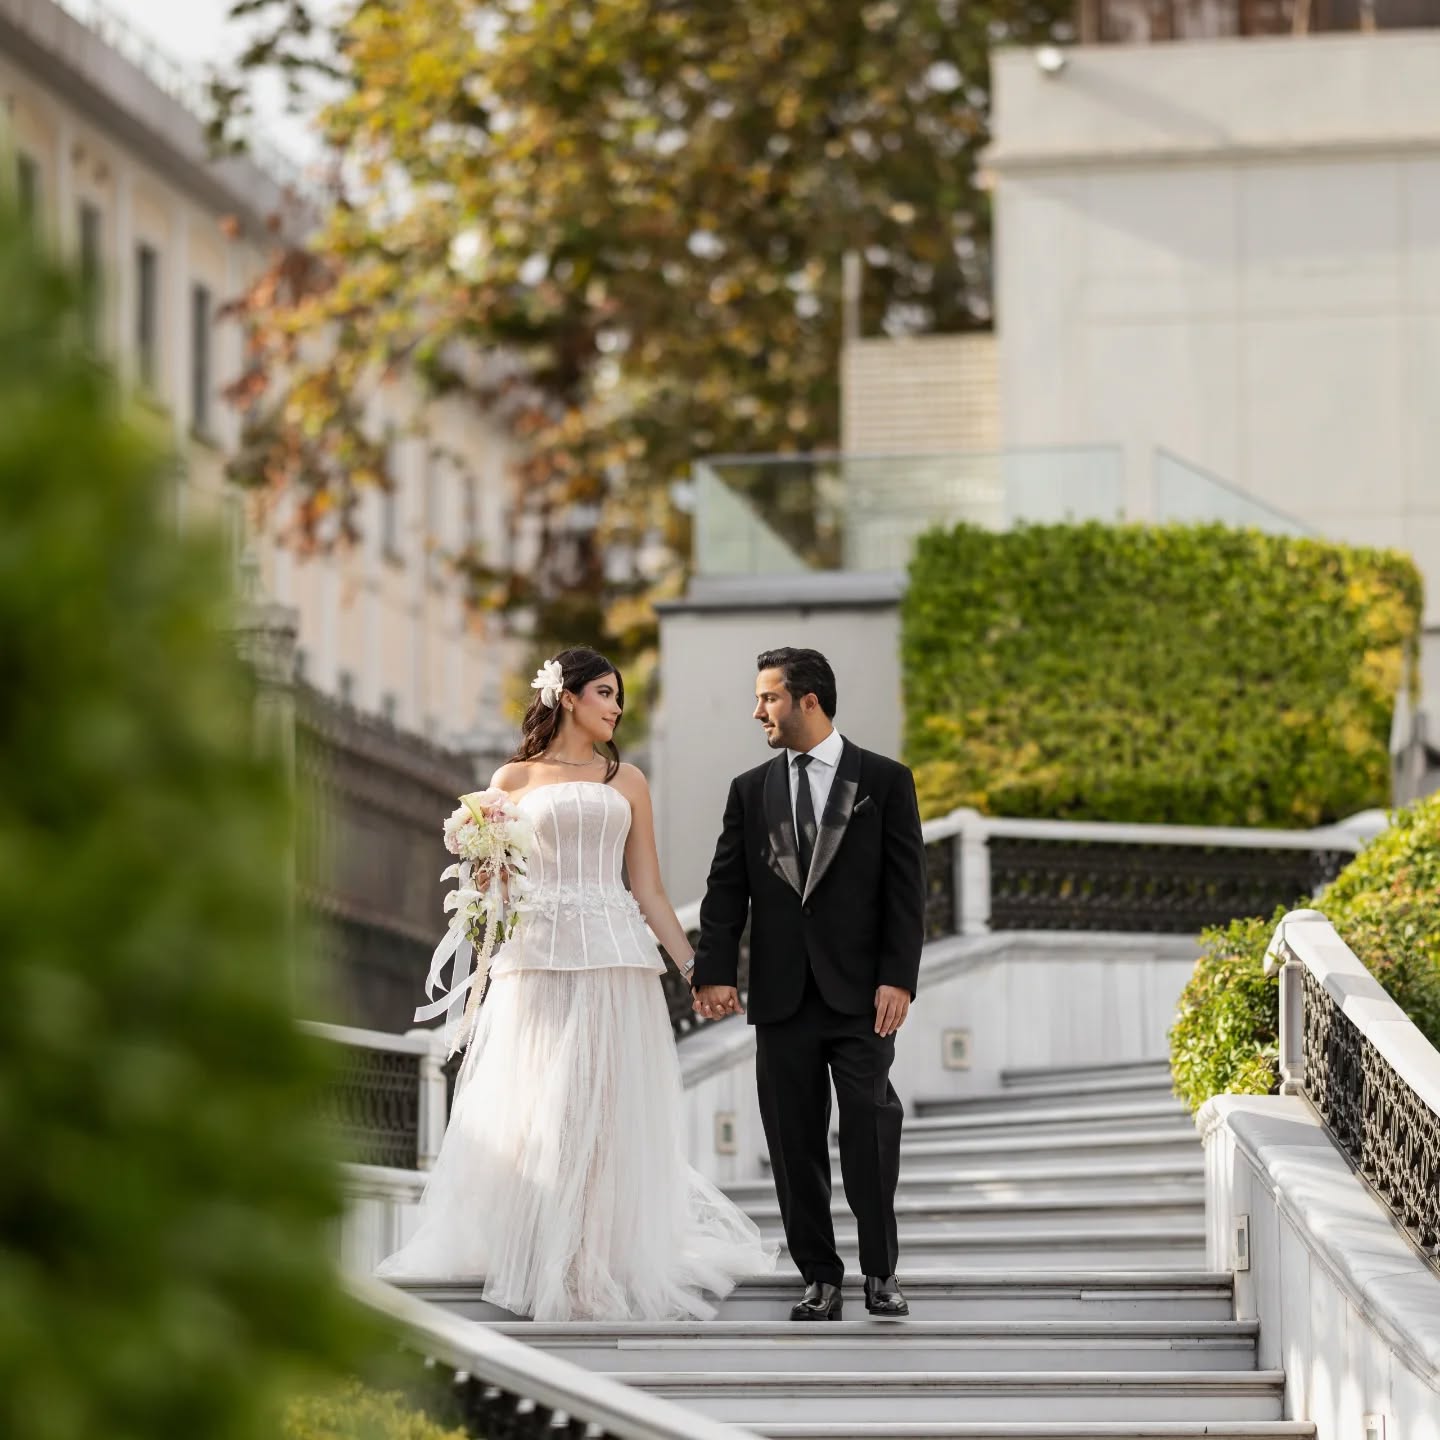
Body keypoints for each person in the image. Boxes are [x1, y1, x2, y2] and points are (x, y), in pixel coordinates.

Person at [376, 646, 772, 1320]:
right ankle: (538, 1251)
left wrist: (698, 971)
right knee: (543, 1110)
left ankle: (587, 1261)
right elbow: (495, 886)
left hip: (616, 959)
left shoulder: (630, 781)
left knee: (602, 1111)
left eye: (620, 698)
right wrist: (485, 878)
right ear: (568, 696)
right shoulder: (511, 778)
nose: (617, 708)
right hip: (534, 959)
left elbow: (647, 888)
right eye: (606, 695)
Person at [691, 647, 926, 1321]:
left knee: (871, 1129)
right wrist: (713, 972)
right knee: (793, 1144)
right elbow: (725, 889)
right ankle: (819, 1276)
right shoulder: (749, 789)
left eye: (768, 697)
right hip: (782, 997)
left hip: (862, 997)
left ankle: (881, 1273)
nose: (756, 709)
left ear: (808, 702)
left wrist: (898, 979)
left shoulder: (885, 781)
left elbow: (906, 894)